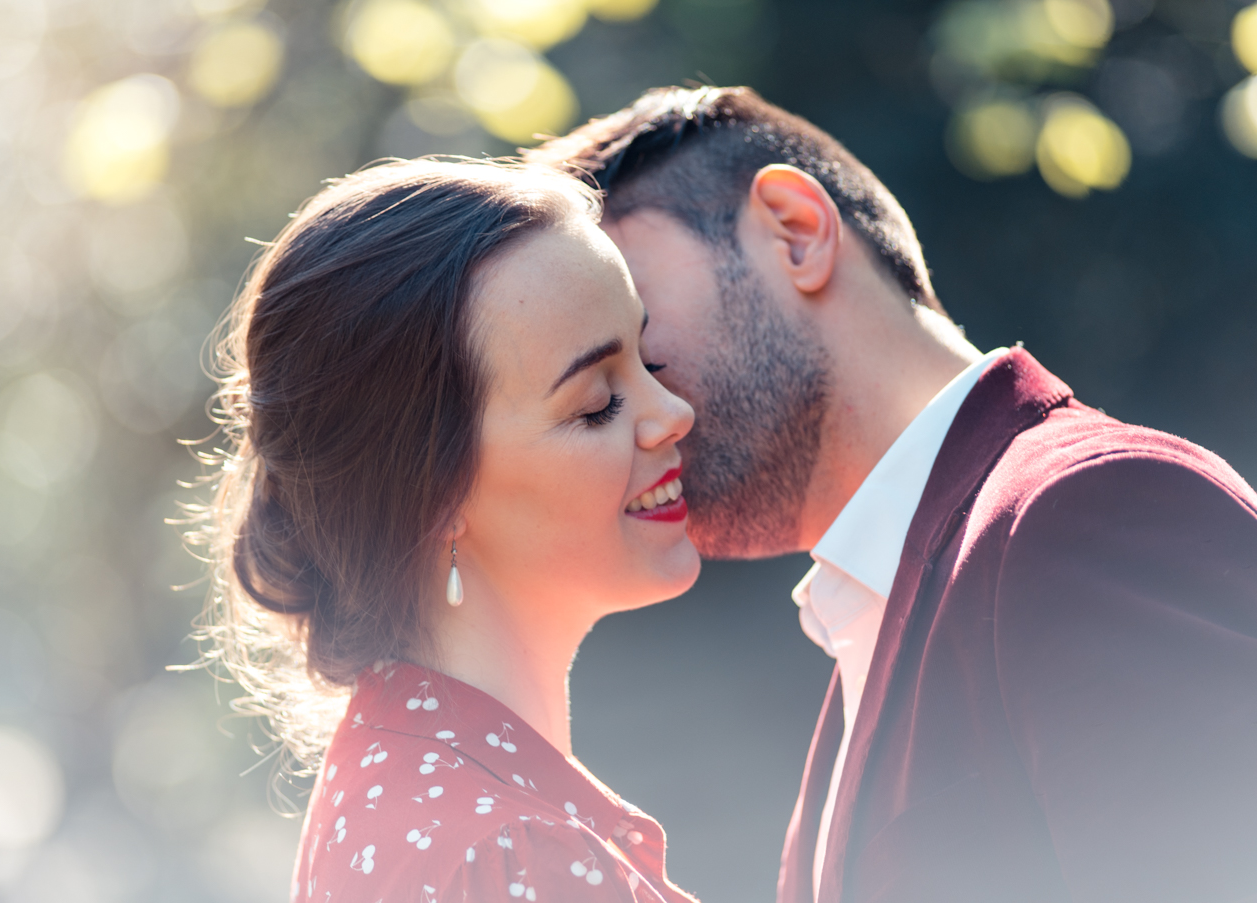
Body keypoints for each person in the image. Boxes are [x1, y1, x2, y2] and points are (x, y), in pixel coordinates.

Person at [529, 86, 1257, 903]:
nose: (636, 416)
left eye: (636, 339)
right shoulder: (874, 628)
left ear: (795, 231)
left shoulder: (1088, 512)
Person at [197, 158, 702, 902]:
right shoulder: (509, 850)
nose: (673, 413)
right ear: (433, 492)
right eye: (598, 402)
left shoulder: (402, 781)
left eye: (646, 359)